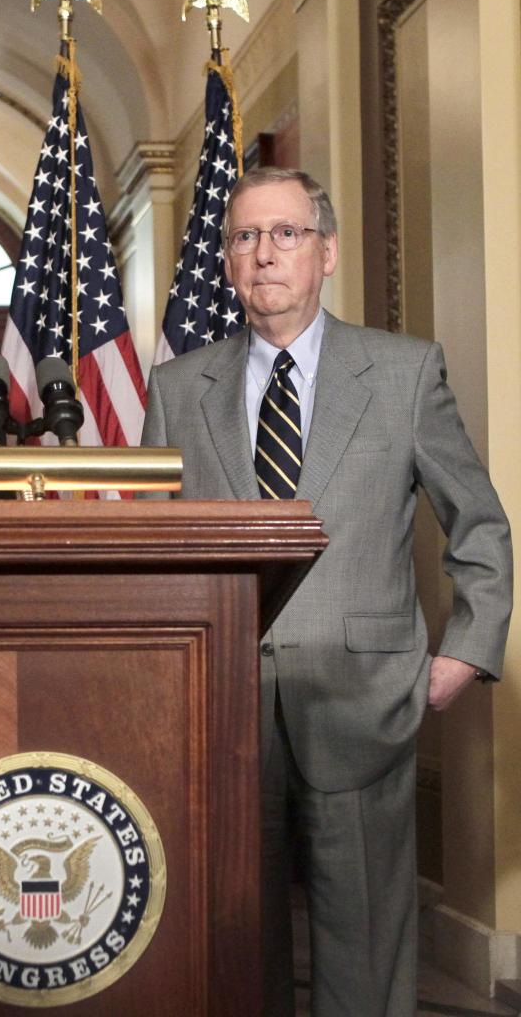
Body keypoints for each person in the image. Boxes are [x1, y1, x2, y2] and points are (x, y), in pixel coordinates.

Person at [141, 167, 512, 1016]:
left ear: (327, 252)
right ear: (227, 262)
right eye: (244, 237)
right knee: (233, 941)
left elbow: (482, 528)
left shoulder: (405, 372)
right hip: (221, 704)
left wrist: (462, 656)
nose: (263, 254)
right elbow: (154, 547)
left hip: (365, 700)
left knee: (367, 948)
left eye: (285, 234)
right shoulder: (176, 388)